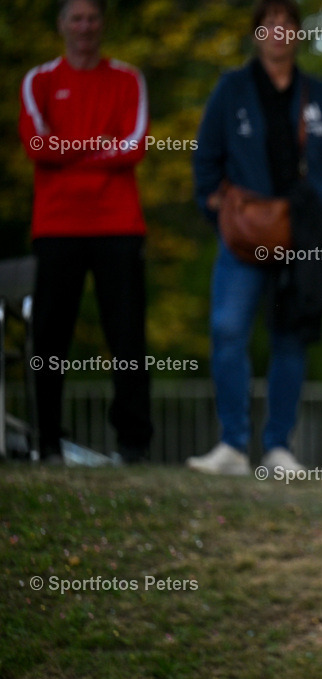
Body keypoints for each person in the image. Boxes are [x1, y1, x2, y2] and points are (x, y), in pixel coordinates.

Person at [189, 0, 322, 476]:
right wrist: (214, 205)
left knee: (291, 339)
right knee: (227, 330)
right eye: (269, 24)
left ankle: (279, 448)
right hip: (243, 236)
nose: (278, 32)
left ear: (299, 34)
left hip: (300, 238)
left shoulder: (318, 94)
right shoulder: (231, 89)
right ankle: (233, 447)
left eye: (287, 24)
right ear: (256, 34)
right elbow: (206, 155)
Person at [18, 0, 152, 464]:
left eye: (92, 17)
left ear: (103, 25)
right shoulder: (39, 81)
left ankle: (133, 445)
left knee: (128, 337)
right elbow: (37, 144)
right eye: (76, 18)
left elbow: (132, 146)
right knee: (51, 335)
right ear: (62, 26)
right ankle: (48, 440)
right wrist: (97, 144)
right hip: (57, 226)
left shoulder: (128, 79)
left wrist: (68, 150)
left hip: (118, 224)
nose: (85, 27)